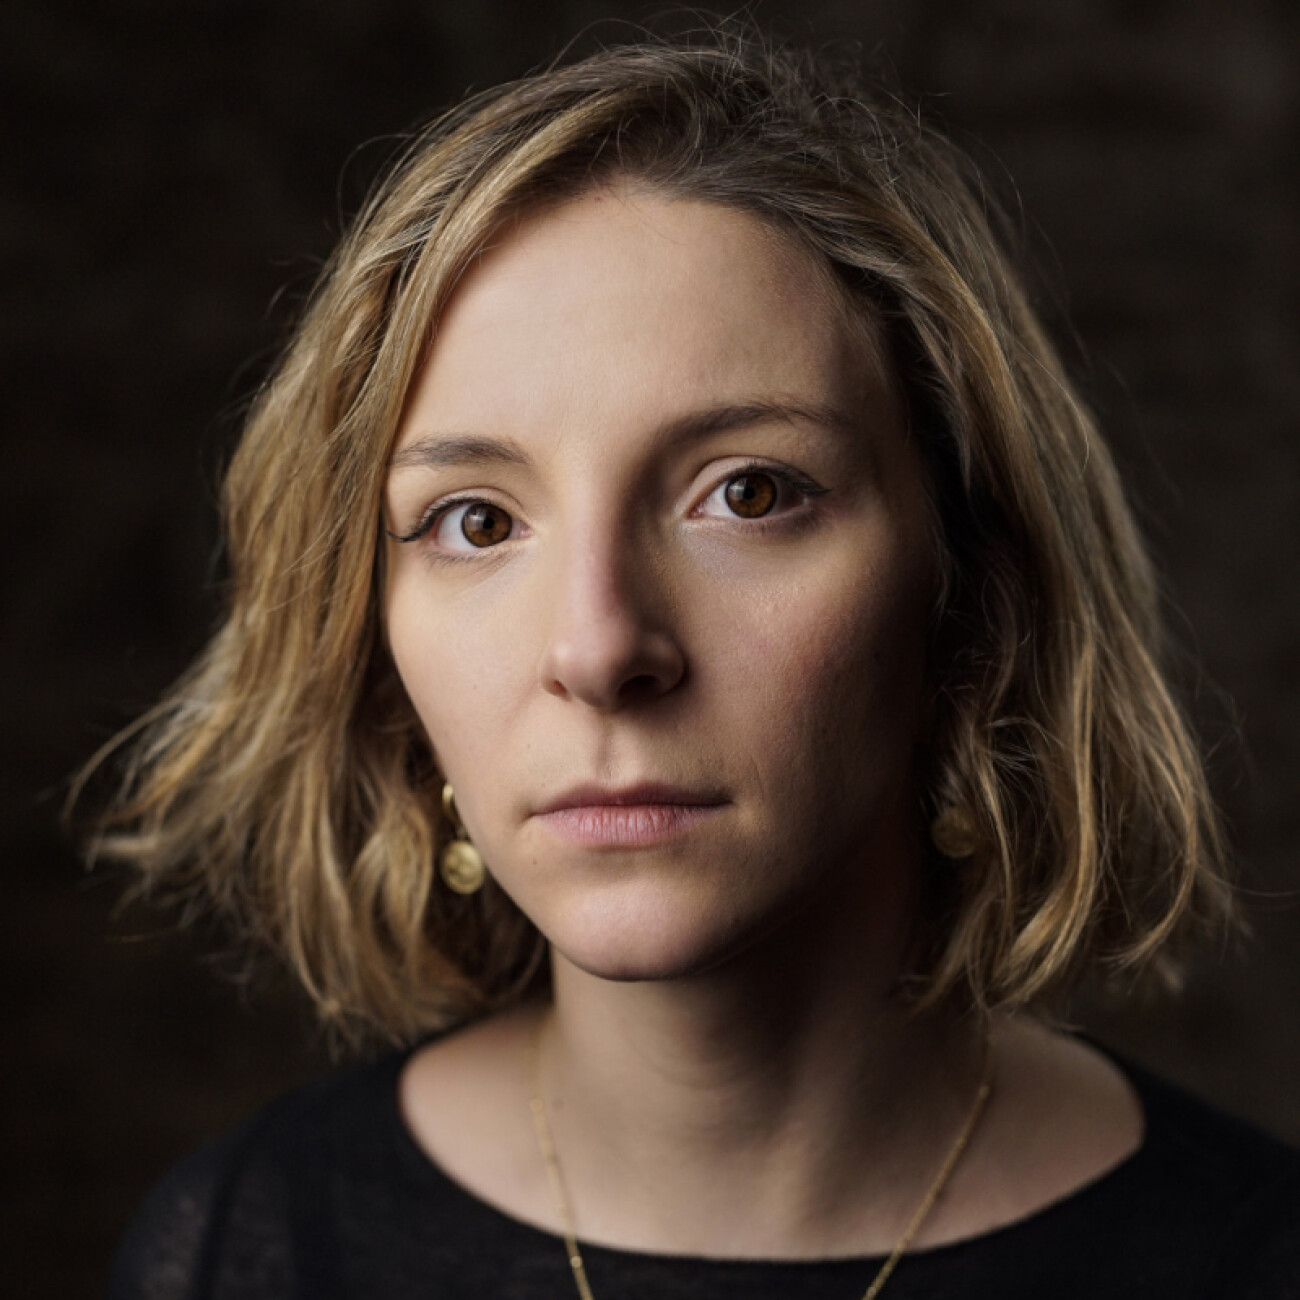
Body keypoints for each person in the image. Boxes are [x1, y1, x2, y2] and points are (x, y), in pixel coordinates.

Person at [85, 27, 1299, 1300]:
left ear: (969, 589)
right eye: (477, 521)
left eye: (748, 493)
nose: (599, 646)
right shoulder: (244, 1248)